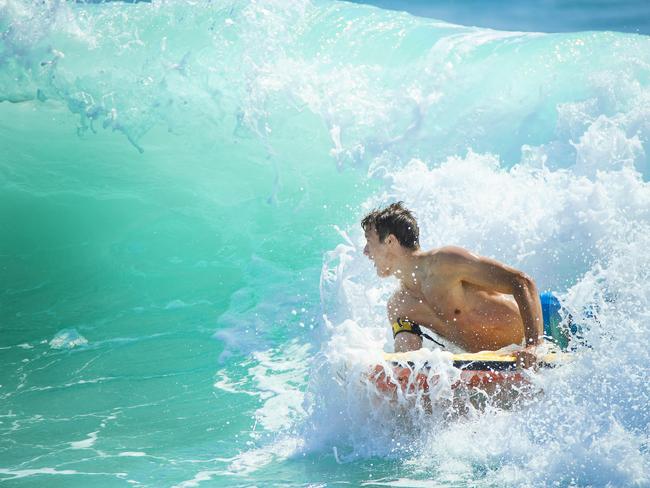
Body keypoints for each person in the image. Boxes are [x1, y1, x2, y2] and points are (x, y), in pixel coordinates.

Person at [362, 202, 544, 368]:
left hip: (544, 325)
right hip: (502, 359)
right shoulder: (399, 307)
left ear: (390, 241)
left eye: (369, 242)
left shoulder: (445, 263)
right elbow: (409, 361)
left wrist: (534, 346)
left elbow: (522, 282)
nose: (365, 251)